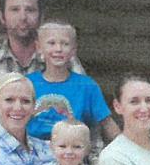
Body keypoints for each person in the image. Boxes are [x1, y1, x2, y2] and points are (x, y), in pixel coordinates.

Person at [0, 0, 85, 144]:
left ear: (41, 17)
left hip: (53, 156)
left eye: (30, 10)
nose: (23, 17)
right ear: (2, 17)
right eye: (14, 10)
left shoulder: (61, 58)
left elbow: (84, 107)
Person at [24, 20, 119, 150]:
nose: (58, 49)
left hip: (72, 153)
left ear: (74, 50)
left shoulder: (86, 86)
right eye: (51, 43)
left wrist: (126, 151)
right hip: (32, 152)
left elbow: (107, 124)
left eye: (65, 44)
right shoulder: (26, 84)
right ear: (39, 47)